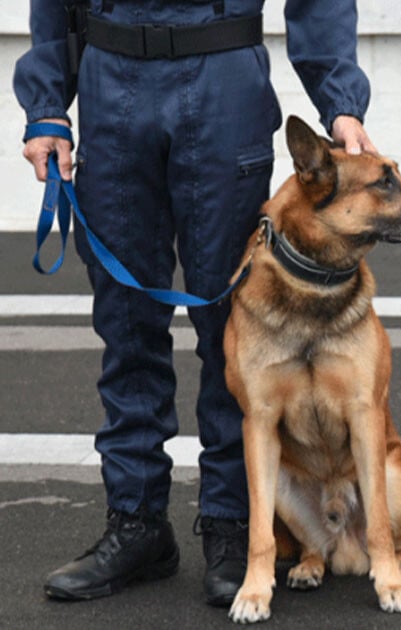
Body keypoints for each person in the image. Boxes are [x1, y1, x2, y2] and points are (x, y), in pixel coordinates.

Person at [15, 0, 376, 606]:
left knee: (235, 331)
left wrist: (339, 103)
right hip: (111, 79)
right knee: (127, 325)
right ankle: (137, 522)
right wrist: (47, 106)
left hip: (222, 79)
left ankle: (234, 525)